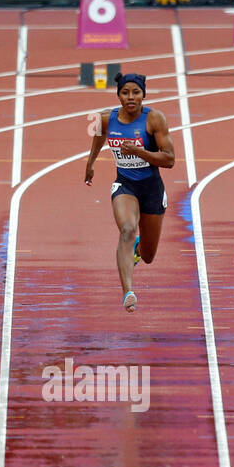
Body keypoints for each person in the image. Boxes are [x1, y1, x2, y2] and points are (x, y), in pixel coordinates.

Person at [82, 72, 175, 311]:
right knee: (126, 229)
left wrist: (139, 152)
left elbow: (169, 159)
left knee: (148, 256)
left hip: (152, 188)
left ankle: (137, 248)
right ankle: (128, 292)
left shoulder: (154, 119)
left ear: (144, 94)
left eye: (136, 92)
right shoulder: (106, 119)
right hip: (125, 185)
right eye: (125, 93)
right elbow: (99, 138)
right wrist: (90, 164)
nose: (130, 97)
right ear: (118, 96)